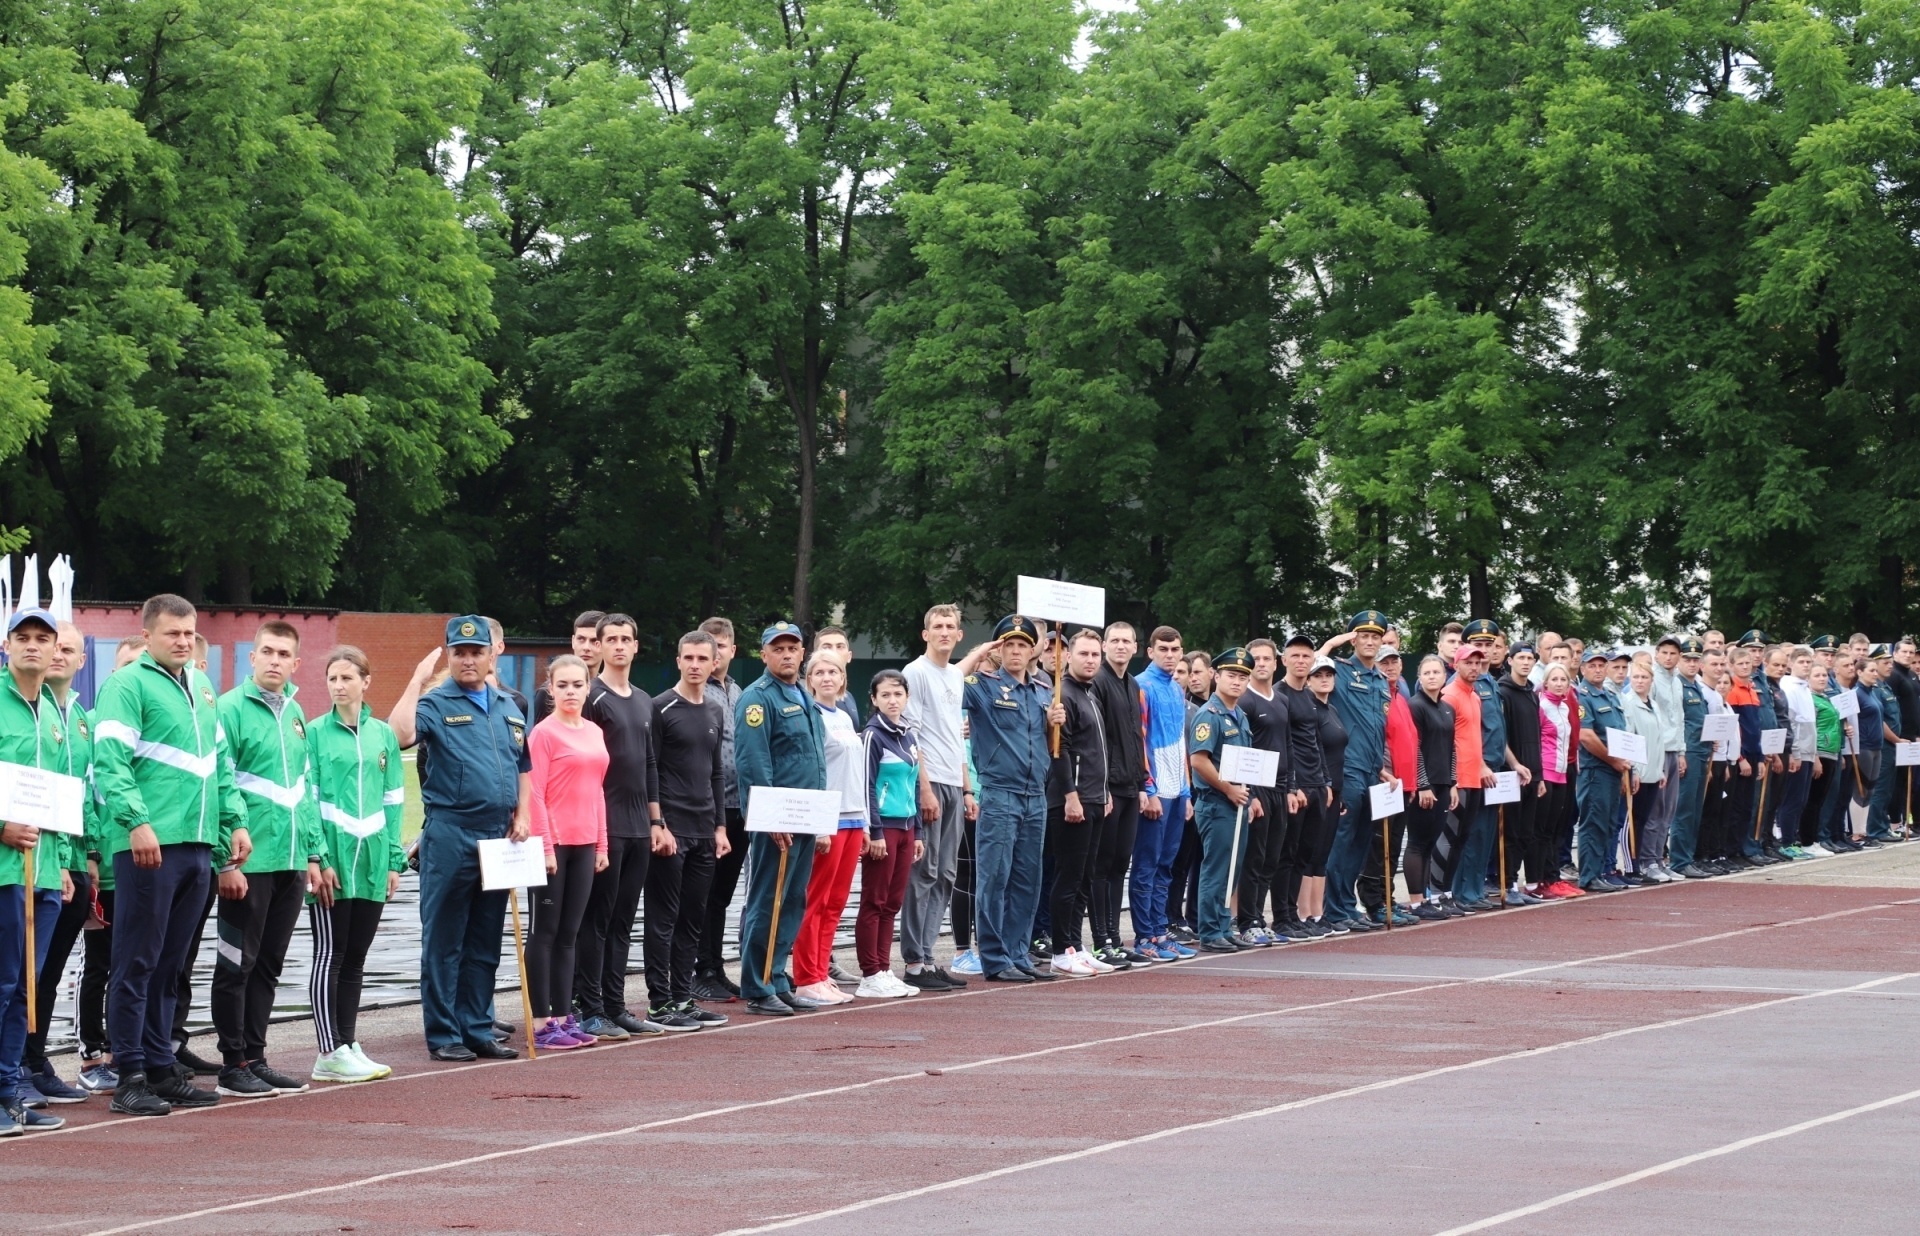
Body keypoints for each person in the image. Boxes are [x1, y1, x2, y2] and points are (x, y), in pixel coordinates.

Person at [93, 594, 247, 1115]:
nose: (182, 641)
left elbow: (220, 764)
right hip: (148, 848)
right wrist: (136, 823)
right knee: (135, 961)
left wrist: (234, 823)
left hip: (199, 845)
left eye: (189, 633)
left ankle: (161, 1066)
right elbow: (110, 763)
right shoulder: (126, 684)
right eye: (172, 634)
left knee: (171, 964)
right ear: (148, 636)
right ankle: (129, 1074)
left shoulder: (202, 687)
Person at [388, 615, 532, 1062]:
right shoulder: (435, 701)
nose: (468, 660)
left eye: (476, 652)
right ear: (449, 656)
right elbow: (400, 735)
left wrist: (523, 813)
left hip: (498, 838)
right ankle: (445, 1035)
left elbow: (523, 765)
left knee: (485, 941)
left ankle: (477, 1028)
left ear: (492, 655)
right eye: (459, 652)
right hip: (451, 833)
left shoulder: (509, 706)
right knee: (445, 940)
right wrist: (415, 678)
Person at [207, 621, 322, 1098]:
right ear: (251, 658)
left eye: (284, 654)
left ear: (296, 663)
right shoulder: (229, 710)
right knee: (236, 963)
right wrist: (226, 863)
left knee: (269, 964)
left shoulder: (296, 713)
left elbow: (307, 790)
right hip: (247, 864)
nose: (275, 661)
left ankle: (256, 1055)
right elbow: (218, 786)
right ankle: (232, 1062)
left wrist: (313, 853)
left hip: (290, 862)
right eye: (267, 652)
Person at [306, 647, 406, 1084]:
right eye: (333, 678)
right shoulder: (312, 733)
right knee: (331, 953)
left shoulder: (383, 734)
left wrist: (394, 860)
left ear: (366, 681)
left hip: (373, 860)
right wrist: (318, 855)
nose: (339, 685)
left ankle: (348, 1042)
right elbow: (307, 797)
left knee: (356, 959)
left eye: (348, 677)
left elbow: (394, 798)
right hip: (332, 861)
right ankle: (328, 1051)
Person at [0, 607, 76, 1134]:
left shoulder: (53, 711)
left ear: (55, 651)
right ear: (7, 646)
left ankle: (9, 1091)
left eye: (42, 639)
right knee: (2, 983)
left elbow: (60, 795)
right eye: (22, 637)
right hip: (6, 870)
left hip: (45, 871)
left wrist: (67, 863)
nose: (32, 646)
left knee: (27, 988)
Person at [573, 613, 664, 1040]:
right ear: (601, 645)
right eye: (611, 639)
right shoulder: (592, 696)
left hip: (638, 828)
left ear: (636, 645)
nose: (619, 646)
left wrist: (657, 820)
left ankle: (615, 1004)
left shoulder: (645, 700)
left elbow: (648, 763)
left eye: (627, 638)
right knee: (598, 919)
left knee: (624, 919)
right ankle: (589, 1008)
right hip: (602, 826)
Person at [735, 622, 830, 1016]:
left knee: (793, 900)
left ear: (803, 652)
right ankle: (756, 986)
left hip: (806, 815)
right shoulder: (758, 699)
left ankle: (776, 978)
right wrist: (771, 817)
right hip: (779, 820)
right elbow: (754, 762)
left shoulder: (803, 696)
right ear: (764, 655)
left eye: (793, 647)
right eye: (778, 649)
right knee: (767, 900)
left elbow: (815, 758)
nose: (787, 654)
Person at [21, 621, 97, 1105]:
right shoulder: (29, 709)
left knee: (47, 972)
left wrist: (83, 858)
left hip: (67, 864)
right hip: (32, 859)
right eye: (54, 646)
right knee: (20, 972)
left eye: (68, 649)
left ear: (80, 659)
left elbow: (81, 798)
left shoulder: (82, 719)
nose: (57, 656)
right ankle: (21, 1064)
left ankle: (35, 1058)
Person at [965, 615, 1064, 984]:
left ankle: (1017, 951)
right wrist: (979, 654)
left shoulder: (1042, 690)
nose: (1016, 651)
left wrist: (1055, 720)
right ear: (999, 649)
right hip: (1000, 792)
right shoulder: (983, 685)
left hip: (1035, 794)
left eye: (1023, 644)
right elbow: (945, 685)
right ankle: (993, 956)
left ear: (1033, 649)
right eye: (1008, 644)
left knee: (1028, 878)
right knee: (995, 877)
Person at [643, 631, 731, 1031]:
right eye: (688, 657)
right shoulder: (661, 708)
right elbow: (652, 768)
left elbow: (715, 772)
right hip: (670, 831)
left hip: (704, 830)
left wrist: (720, 827)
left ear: (714, 663)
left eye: (702, 658)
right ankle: (660, 1003)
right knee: (663, 917)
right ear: (677, 660)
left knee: (693, 917)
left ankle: (684, 997)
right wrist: (658, 823)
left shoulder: (715, 711)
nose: (695, 665)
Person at [526, 656, 609, 1052]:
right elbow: (535, 793)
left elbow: (597, 792)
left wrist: (602, 844)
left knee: (569, 934)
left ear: (588, 686)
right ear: (551, 689)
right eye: (563, 685)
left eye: (578, 684)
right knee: (544, 933)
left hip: (585, 843)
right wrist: (544, 845)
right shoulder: (543, 734)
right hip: (553, 847)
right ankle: (541, 1020)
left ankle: (563, 1013)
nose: (571, 691)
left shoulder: (594, 731)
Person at [899, 605, 978, 991]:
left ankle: (930, 956)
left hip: (952, 780)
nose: (944, 632)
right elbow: (911, 736)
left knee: (947, 872)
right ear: (925, 633)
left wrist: (966, 789)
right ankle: (914, 961)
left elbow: (954, 738)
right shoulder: (916, 672)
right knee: (924, 872)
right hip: (930, 783)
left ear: (959, 635)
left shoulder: (953, 677)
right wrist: (924, 787)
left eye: (950, 627)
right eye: (937, 627)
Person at [791, 653, 868, 1006]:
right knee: (816, 900)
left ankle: (823, 973)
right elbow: (810, 771)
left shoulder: (846, 717)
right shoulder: (812, 717)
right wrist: (817, 822)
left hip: (853, 817)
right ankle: (807, 977)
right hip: (829, 819)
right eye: (818, 672)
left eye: (833, 671)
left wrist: (866, 821)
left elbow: (858, 773)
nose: (826, 677)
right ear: (809, 680)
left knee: (836, 903)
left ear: (842, 679)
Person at [1042, 630, 1113, 977]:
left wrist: (1105, 792)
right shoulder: (1064, 695)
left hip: (1096, 799)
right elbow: (1061, 750)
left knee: (1086, 877)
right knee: (1068, 877)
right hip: (1073, 802)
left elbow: (1097, 750)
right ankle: (1059, 949)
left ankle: (1076, 945)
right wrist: (1070, 795)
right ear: (1068, 656)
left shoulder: (1092, 695)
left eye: (1095, 655)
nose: (1090, 660)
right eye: (1083, 653)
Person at [1318, 610, 1393, 934]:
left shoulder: (1380, 679)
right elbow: (1312, 666)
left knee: (1362, 841)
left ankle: (1347, 904)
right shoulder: (1343, 671)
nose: (1370, 641)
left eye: (1376, 636)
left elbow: (1378, 728)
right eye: (1364, 635)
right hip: (1348, 768)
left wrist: (1383, 769)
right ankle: (1334, 909)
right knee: (1343, 839)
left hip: (1372, 771)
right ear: (1354, 638)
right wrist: (1333, 643)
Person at [856, 670, 925, 995]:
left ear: (906, 697)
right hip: (884, 828)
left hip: (908, 828)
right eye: (885, 695)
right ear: (874, 699)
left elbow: (912, 785)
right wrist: (876, 831)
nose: (892, 700)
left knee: (893, 902)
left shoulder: (908, 735)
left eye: (898, 694)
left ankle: (884, 968)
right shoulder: (872, 735)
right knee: (874, 899)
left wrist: (920, 832)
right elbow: (866, 786)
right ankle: (870, 973)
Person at [1187, 648, 1260, 953]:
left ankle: (1221, 925)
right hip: (1216, 803)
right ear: (1216, 676)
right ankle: (1209, 931)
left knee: (1233, 867)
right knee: (1217, 868)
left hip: (1236, 803)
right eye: (1231, 675)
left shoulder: (1239, 715)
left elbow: (1243, 762)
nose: (1237, 682)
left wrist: (1249, 795)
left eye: (1243, 677)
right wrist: (1229, 789)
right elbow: (1199, 761)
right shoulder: (1210, 714)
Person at [1130, 627, 1194, 962]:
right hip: (1156, 791)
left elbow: (1181, 744)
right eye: (1164, 649)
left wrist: (1185, 791)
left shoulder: (1176, 689)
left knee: (1166, 865)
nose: (1170, 655)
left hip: (1176, 791)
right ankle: (1144, 936)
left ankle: (1160, 930)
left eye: (1176, 649)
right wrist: (1149, 789)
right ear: (1151, 651)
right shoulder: (1143, 686)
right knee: (1147, 865)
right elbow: (1140, 741)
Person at [1089, 622, 1151, 967]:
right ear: (1104, 645)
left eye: (1127, 641)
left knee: (1118, 866)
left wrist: (1142, 785)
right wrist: (1103, 787)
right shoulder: (1099, 682)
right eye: (1114, 641)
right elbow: (1098, 741)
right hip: (1107, 788)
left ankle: (1114, 936)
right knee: (1101, 866)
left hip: (1130, 786)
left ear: (1136, 646)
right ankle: (1100, 940)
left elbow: (1136, 737)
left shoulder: (1133, 684)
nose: (1121, 646)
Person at [693, 617, 746, 1002]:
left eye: (722, 645)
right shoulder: (695, 692)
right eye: (709, 645)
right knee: (703, 892)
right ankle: (700, 969)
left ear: (731, 650)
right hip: (708, 807)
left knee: (724, 894)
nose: (716, 653)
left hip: (739, 804)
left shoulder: (738, 691)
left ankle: (716, 964)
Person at [1233, 638, 1290, 946]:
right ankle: (1247, 921)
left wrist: (1291, 787)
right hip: (1258, 789)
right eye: (1257, 659)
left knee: (1272, 857)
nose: (1263, 664)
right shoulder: (1245, 701)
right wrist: (1250, 793)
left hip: (1281, 789)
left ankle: (1259, 916)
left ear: (1276, 662)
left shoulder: (1281, 700)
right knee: (1254, 858)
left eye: (1268, 658)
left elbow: (1288, 743)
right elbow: (1241, 749)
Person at [1360, 647, 1418, 925]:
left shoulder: (1399, 696)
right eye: (1384, 662)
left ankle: (1387, 897)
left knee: (1393, 846)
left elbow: (1409, 742)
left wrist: (1413, 781)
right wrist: (1381, 772)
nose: (1390, 666)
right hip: (1384, 781)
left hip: (1403, 785)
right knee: (1378, 845)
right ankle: (1374, 901)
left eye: (1394, 661)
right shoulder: (1375, 695)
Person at [1438, 642, 1493, 909]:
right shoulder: (1449, 695)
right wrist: (1451, 780)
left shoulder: (1474, 696)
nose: (1474, 667)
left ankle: (1452, 895)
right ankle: (1439, 894)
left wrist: (1481, 765)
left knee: (1462, 839)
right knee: (1448, 840)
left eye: (1477, 663)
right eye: (1468, 662)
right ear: (1455, 664)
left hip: (1473, 778)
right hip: (1457, 779)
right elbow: (1445, 742)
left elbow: (1473, 738)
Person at [1405, 654, 1459, 920]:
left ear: (1445, 675)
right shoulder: (1415, 706)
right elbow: (1414, 749)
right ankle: (1415, 901)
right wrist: (1422, 784)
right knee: (1416, 842)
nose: (1431, 677)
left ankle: (1426, 897)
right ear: (1419, 677)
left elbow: (1451, 748)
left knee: (1430, 843)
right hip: (1423, 786)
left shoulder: (1448, 708)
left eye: (1436, 672)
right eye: (1426, 673)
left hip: (1442, 783)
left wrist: (1452, 783)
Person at [1298, 657, 1350, 932]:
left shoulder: (1332, 709)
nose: (1325, 679)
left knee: (1323, 854)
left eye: (1329, 674)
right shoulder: (1310, 711)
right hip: (1318, 788)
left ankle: (1319, 914)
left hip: (1335, 790)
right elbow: (1311, 752)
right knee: (1311, 852)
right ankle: (1304, 914)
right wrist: (1323, 785)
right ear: (1308, 680)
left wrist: (1337, 792)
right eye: (1318, 675)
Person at [1574, 648, 1630, 893]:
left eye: (1601, 665)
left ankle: (1600, 872)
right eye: (1592, 665)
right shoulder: (1582, 696)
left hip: (1613, 770)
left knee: (1607, 824)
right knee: (1593, 823)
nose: (1597, 669)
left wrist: (1625, 766)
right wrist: (1614, 760)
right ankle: (1588, 876)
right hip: (1596, 769)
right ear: (1583, 669)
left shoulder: (1609, 695)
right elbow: (1586, 736)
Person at [1496, 642, 1545, 903]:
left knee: (1526, 832)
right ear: (1510, 660)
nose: (1526, 662)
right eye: (1521, 657)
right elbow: (1500, 737)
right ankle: (1507, 884)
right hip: (1510, 775)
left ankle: (1516, 882)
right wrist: (1515, 764)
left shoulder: (1532, 693)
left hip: (1531, 775)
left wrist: (1538, 776)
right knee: (1510, 832)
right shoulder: (1502, 693)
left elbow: (1535, 737)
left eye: (1530, 658)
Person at [1533, 663, 1583, 897]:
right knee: (1543, 829)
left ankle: (1553, 877)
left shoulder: (1563, 707)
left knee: (1558, 828)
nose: (1560, 683)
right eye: (1555, 679)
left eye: (1564, 680)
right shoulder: (1541, 705)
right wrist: (1538, 775)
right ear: (1545, 682)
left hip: (1563, 772)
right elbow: (1535, 741)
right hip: (1546, 772)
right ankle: (1541, 878)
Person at [1619, 660, 1665, 882]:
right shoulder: (1628, 703)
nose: (1639, 681)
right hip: (1638, 773)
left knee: (1644, 819)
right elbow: (1630, 738)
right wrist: (1634, 770)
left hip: (1653, 773)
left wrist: (1661, 769)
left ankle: (1639, 864)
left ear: (1651, 681)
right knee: (1633, 820)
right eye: (1635, 677)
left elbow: (1657, 740)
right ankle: (1631, 866)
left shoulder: (1654, 705)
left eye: (1644, 677)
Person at [533, 611, 606, 723]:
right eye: (581, 639)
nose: (586, 647)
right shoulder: (548, 693)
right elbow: (541, 736)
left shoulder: (609, 691)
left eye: (594, 641)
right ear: (573, 641)